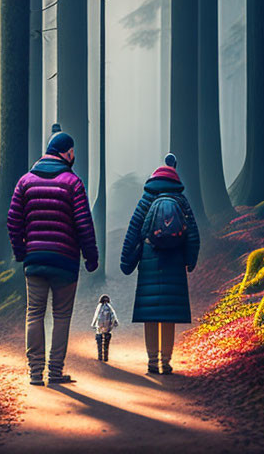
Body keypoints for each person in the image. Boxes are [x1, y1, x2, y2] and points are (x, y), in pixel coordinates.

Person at [7, 124, 99, 386]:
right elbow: (84, 223)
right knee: (61, 316)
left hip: (35, 260)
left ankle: (35, 372)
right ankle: (55, 371)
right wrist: (91, 257)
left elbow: (13, 220)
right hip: (65, 261)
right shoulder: (73, 183)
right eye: (73, 152)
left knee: (34, 313)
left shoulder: (25, 181)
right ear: (67, 153)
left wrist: (21, 252)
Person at [120, 153, 200, 375]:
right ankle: (166, 361)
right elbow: (193, 235)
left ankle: (152, 361)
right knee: (169, 315)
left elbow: (133, 231)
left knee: (151, 314)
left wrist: (127, 262)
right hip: (174, 261)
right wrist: (190, 261)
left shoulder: (146, 199)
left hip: (149, 259)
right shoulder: (181, 201)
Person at [91, 294, 119, 362]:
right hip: (104, 328)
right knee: (104, 343)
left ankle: (101, 357)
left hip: (101, 328)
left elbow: (96, 316)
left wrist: (93, 324)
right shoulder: (108, 307)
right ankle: (103, 357)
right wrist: (115, 323)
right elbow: (113, 316)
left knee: (101, 342)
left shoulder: (101, 307)